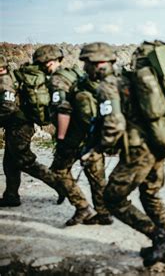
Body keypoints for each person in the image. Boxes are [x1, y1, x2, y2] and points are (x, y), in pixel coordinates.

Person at [84, 42, 165, 266]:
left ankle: (160, 238)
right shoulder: (129, 79)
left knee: (112, 198)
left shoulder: (108, 85)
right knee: (150, 194)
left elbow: (114, 123)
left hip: (138, 150)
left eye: (86, 62)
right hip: (157, 142)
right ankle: (163, 246)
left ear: (98, 64)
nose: (85, 68)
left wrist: (101, 148)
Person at [41, 44, 112, 226]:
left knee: (59, 170)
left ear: (46, 63)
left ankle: (82, 208)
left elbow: (62, 109)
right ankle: (103, 213)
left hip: (74, 134)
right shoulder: (75, 74)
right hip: (92, 131)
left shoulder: (57, 80)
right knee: (96, 175)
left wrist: (61, 138)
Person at [0, 48, 65, 207]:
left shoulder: (4, 81)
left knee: (25, 161)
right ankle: (11, 195)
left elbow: (7, 107)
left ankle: (60, 185)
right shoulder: (7, 78)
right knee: (10, 162)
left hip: (19, 126)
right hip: (16, 125)